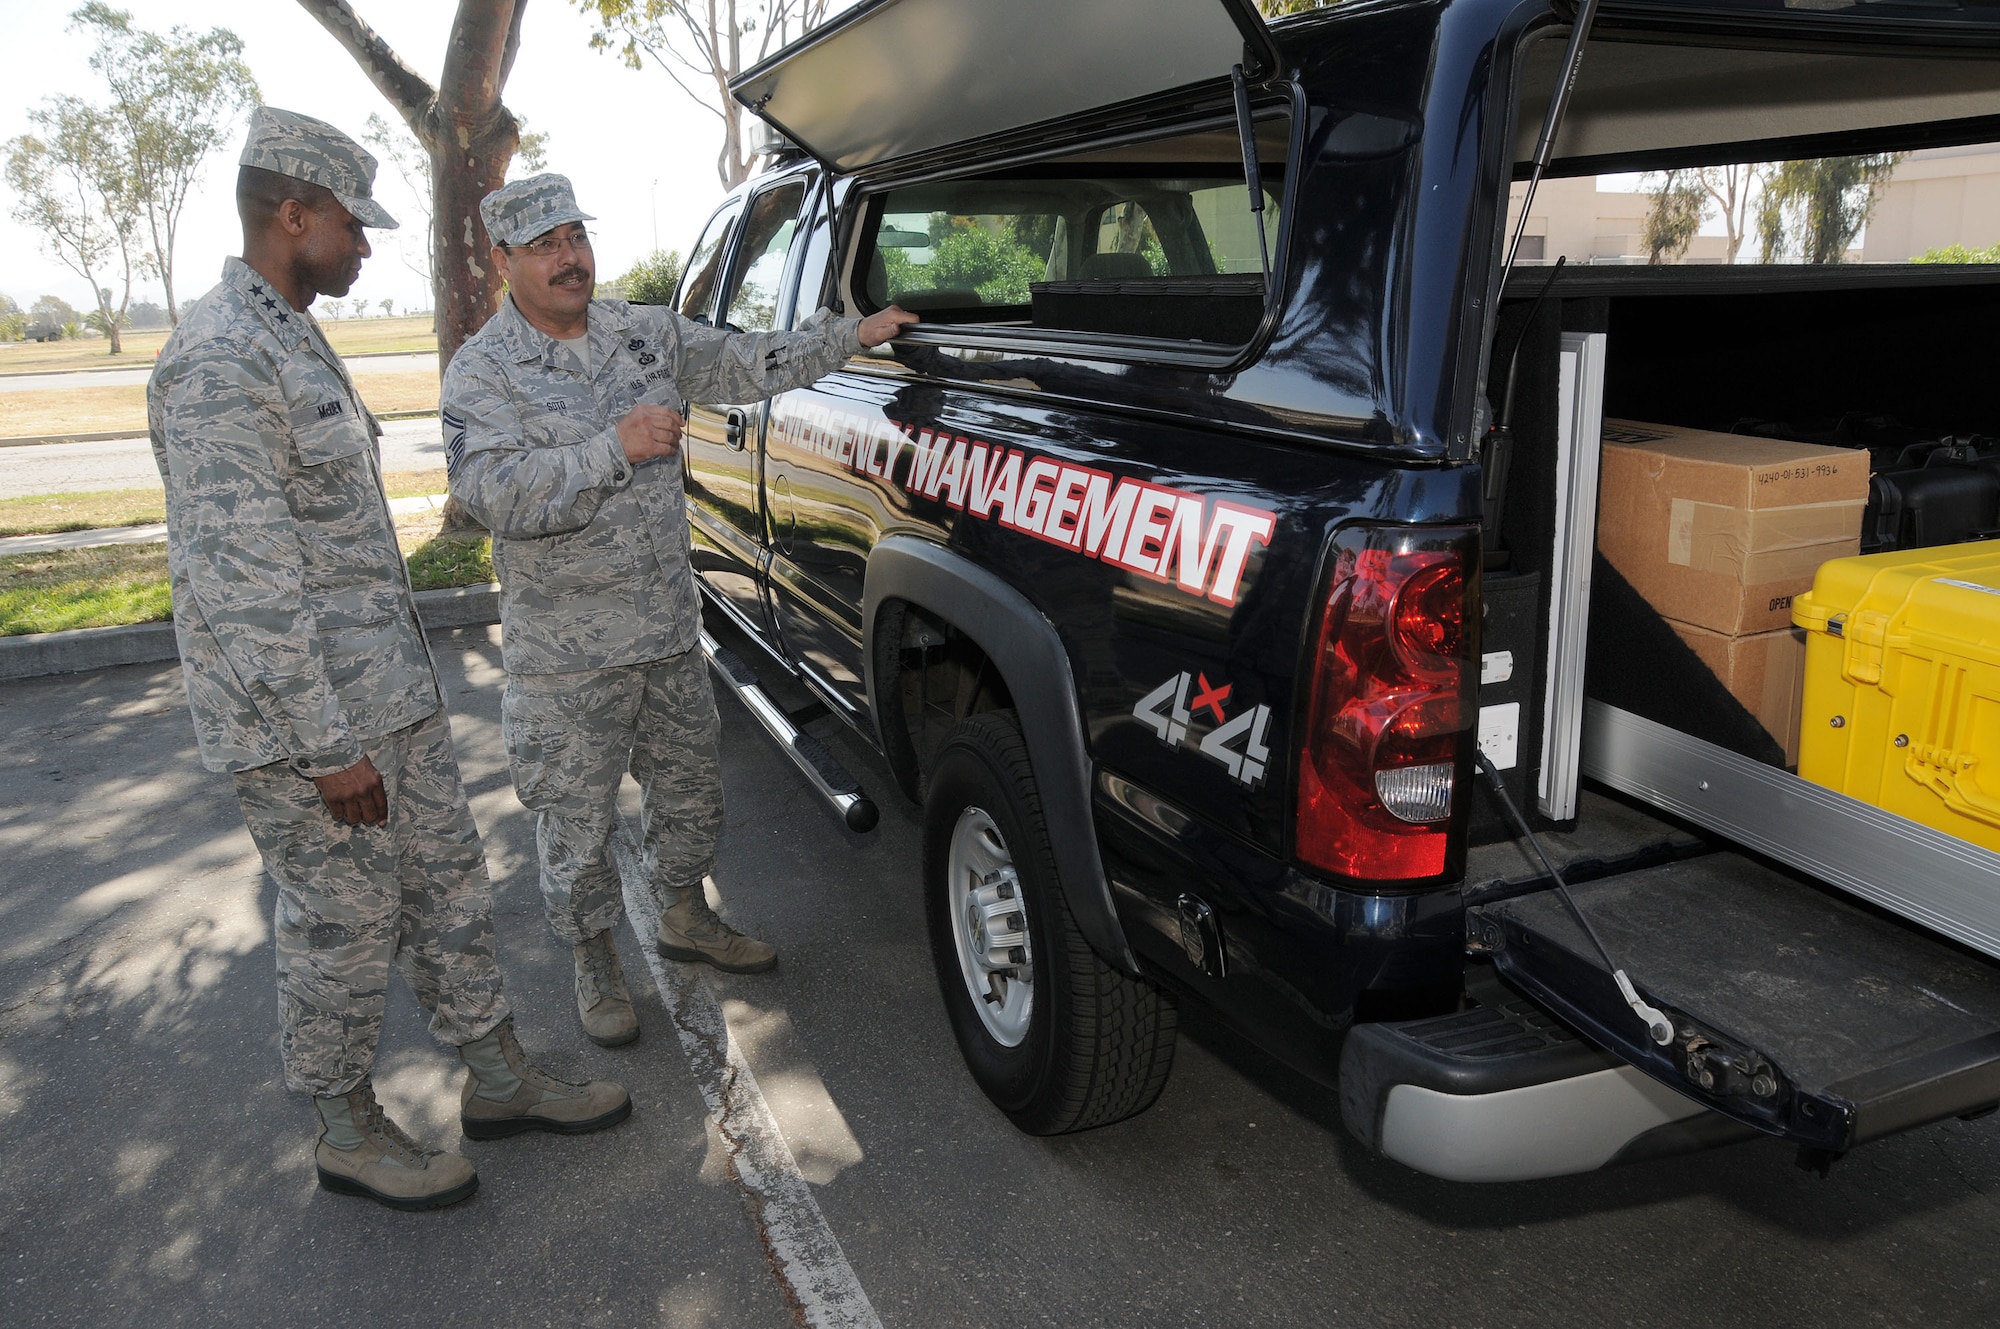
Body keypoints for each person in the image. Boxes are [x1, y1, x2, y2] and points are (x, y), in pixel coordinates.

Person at [148, 110, 630, 1212]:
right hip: (311, 728)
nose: (364, 249)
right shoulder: (222, 357)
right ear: (294, 214)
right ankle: (343, 1125)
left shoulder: (283, 329)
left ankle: (498, 1075)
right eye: (350, 229)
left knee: (448, 889)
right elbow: (242, 587)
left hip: (386, 703)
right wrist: (324, 748)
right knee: (341, 923)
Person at [442, 174, 916, 1047]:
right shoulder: (484, 371)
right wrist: (608, 451)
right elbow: (490, 492)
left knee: (692, 798)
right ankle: (594, 958)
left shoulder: (644, 333)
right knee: (574, 826)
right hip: (566, 656)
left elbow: (748, 363)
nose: (569, 257)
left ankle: (683, 915)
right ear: (502, 261)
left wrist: (855, 333)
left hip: (664, 631)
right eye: (545, 245)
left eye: (575, 236)